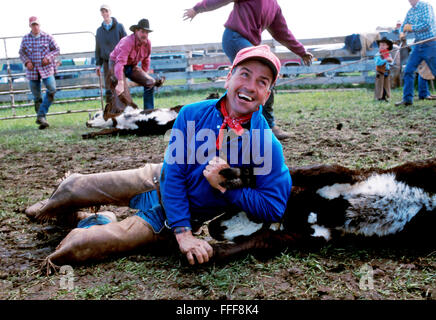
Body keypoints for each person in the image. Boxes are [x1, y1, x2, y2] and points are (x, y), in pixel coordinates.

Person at [25, 45, 292, 267]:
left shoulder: (267, 145)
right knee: (74, 186)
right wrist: (184, 235)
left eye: (262, 82)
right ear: (228, 77)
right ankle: (53, 209)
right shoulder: (192, 114)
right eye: (244, 74)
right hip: (157, 178)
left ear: (267, 94)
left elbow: (274, 205)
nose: (250, 86)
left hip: (174, 216)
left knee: (79, 245)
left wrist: (226, 187)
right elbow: (173, 172)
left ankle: (97, 218)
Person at [183, 0, 313, 140]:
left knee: (257, 81)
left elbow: (282, 32)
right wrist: (197, 9)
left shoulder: (274, 7)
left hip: (249, 42)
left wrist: (301, 51)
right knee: (254, 79)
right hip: (235, 37)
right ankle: (263, 125)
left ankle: (245, 123)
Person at [109, 18, 163, 110]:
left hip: (131, 66)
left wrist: (144, 75)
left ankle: (148, 112)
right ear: (136, 31)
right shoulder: (127, 42)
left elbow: (146, 59)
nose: (145, 35)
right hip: (116, 64)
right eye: (142, 32)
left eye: (147, 32)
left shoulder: (148, 44)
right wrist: (120, 82)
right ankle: (124, 115)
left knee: (150, 82)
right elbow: (120, 62)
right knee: (123, 91)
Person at [19, 16, 60, 129]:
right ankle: (42, 119)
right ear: (30, 26)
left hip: (46, 69)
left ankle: (41, 115)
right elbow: (21, 53)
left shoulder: (47, 37)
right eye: (33, 25)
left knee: (52, 89)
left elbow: (57, 49)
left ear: (39, 25)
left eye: (36, 24)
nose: (35, 27)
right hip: (32, 71)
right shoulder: (25, 39)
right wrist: (27, 62)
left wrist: (48, 57)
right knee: (37, 96)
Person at [395, 0, 436, 106]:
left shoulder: (426, 6)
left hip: (430, 43)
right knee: (408, 70)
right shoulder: (410, 11)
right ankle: (407, 99)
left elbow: (427, 24)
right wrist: (401, 33)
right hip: (418, 45)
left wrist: (412, 27)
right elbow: (404, 25)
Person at [95, 4, 126, 104]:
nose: (105, 14)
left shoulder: (119, 27)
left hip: (118, 62)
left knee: (120, 85)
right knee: (108, 88)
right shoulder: (99, 31)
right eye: (102, 12)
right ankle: (110, 110)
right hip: (106, 62)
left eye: (106, 11)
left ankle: (123, 108)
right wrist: (98, 64)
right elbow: (98, 48)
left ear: (110, 12)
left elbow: (126, 43)